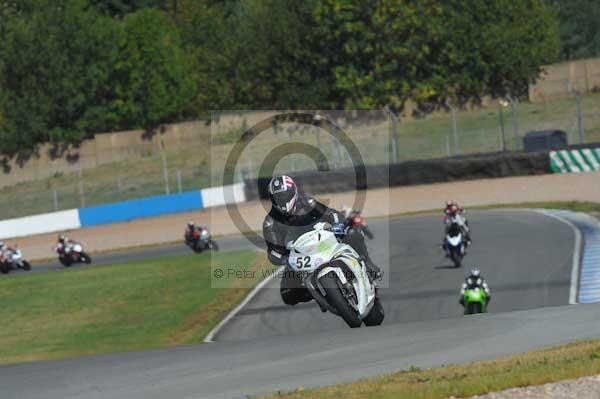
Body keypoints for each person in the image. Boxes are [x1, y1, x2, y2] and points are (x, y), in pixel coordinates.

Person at [262, 175, 381, 306]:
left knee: (352, 234)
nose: (282, 201)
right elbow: (273, 252)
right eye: (279, 198)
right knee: (287, 295)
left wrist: (337, 225)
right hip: (299, 256)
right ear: (272, 199)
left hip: (324, 240)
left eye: (285, 196)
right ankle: (319, 292)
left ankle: (368, 265)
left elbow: (332, 214)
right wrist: (285, 259)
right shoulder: (270, 222)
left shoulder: (307, 203)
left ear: (293, 192)